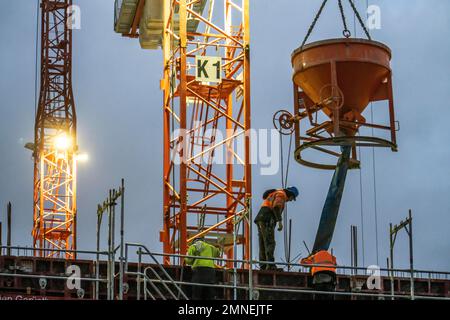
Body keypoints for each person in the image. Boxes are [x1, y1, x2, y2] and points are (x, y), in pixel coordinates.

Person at [254, 186, 299, 270]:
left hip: (261, 218)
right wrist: (280, 221)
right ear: (291, 195)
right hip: (267, 218)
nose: (291, 200)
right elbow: (276, 207)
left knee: (263, 242)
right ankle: (270, 265)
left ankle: (263, 265)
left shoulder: (276, 193)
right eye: (292, 198)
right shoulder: (282, 195)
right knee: (270, 242)